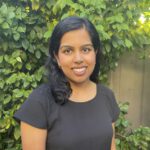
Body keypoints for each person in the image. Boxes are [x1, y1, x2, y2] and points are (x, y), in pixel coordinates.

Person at [14, 16, 120, 150]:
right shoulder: (39, 103)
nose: (78, 59)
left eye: (86, 49)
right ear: (57, 57)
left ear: (95, 52)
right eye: (68, 51)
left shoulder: (106, 96)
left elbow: (111, 146)